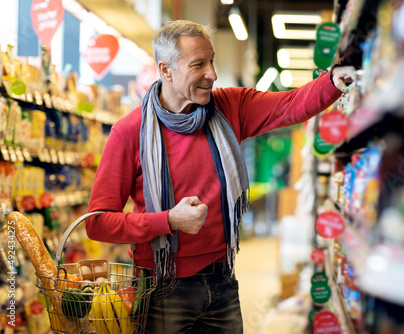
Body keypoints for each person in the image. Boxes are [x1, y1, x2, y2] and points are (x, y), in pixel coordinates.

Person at [85, 19, 355, 333]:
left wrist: (333, 80)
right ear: (166, 70)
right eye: (199, 64)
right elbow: (97, 222)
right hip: (161, 286)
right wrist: (168, 220)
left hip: (223, 278)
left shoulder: (229, 107)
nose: (212, 73)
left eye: (211, 61)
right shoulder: (129, 133)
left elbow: (289, 106)